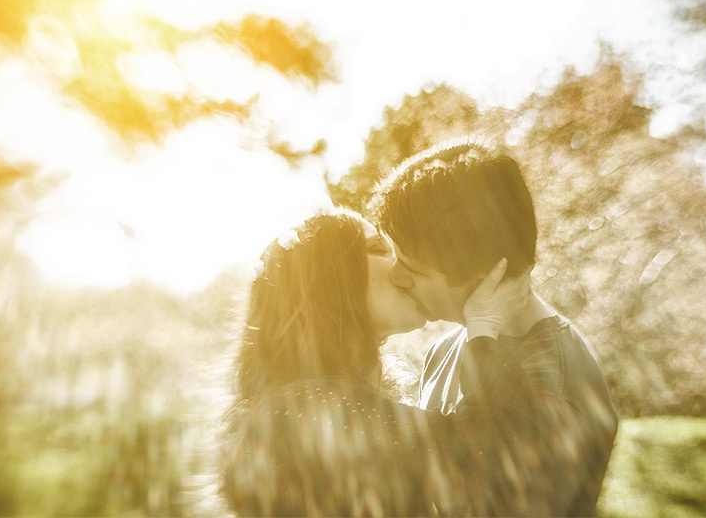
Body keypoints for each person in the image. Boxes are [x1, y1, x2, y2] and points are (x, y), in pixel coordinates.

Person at [220, 208, 544, 517]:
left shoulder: (301, 404)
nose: (401, 266)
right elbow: (490, 451)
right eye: (379, 248)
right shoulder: (301, 414)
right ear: (331, 278)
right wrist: (486, 324)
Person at [371, 138, 619, 516]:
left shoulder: (550, 388)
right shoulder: (451, 345)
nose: (398, 277)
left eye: (415, 269)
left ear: (489, 275)